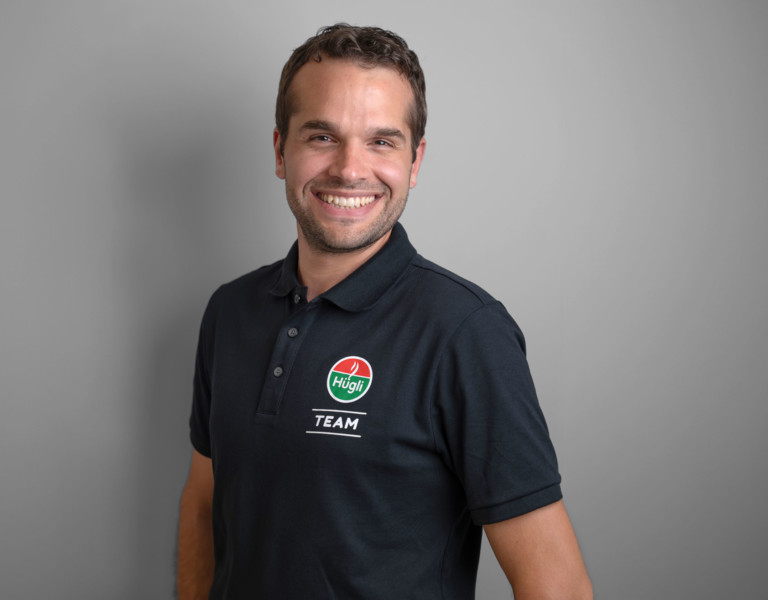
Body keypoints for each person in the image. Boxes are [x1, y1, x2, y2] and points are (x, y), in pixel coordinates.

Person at [177, 23, 592, 600]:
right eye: (323, 136)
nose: (350, 169)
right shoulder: (229, 312)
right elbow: (203, 503)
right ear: (280, 150)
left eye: (381, 142)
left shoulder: (465, 333)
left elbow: (557, 586)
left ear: (415, 161)